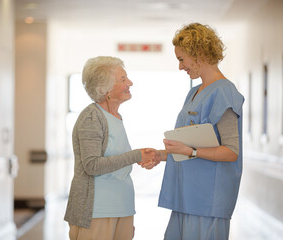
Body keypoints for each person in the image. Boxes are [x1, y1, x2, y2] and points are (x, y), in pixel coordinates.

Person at [64, 56, 166, 240]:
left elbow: (118, 162)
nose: (130, 83)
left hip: (122, 207)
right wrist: (136, 155)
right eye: (123, 79)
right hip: (96, 211)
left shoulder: (116, 117)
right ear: (106, 90)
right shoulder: (92, 117)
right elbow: (92, 165)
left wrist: (142, 157)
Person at [158, 23, 244, 240]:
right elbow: (188, 143)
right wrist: (160, 155)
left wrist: (191, 151)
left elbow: (231, 151)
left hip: (207, 203)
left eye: (181, 59)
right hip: (185, 198)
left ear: (199, 53)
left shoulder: (224, 92)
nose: (180, 67)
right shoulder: (195, 92)